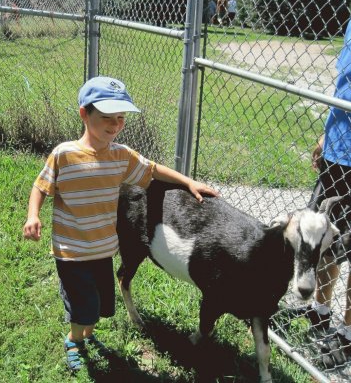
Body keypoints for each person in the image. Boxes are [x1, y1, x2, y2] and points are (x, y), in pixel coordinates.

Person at [22, 76, 218, 372]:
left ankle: (84, 327)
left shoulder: (120, 156)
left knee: (102, 308)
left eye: (120, 119)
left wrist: (188, 181)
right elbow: (41, 187)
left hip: (103, 249)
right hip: (71, 251)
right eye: (106, 118)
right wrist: (33, 215)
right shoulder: (64, 154)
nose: (114, 126)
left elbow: (153, 170)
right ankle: (74, 340)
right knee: (83, 310)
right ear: (84, 114)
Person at [300, 10, 351, 368]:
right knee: (326, 240)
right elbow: (346, 84)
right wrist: (328, 131)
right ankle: (321, 311)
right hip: (338, 153)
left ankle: (348, 333)